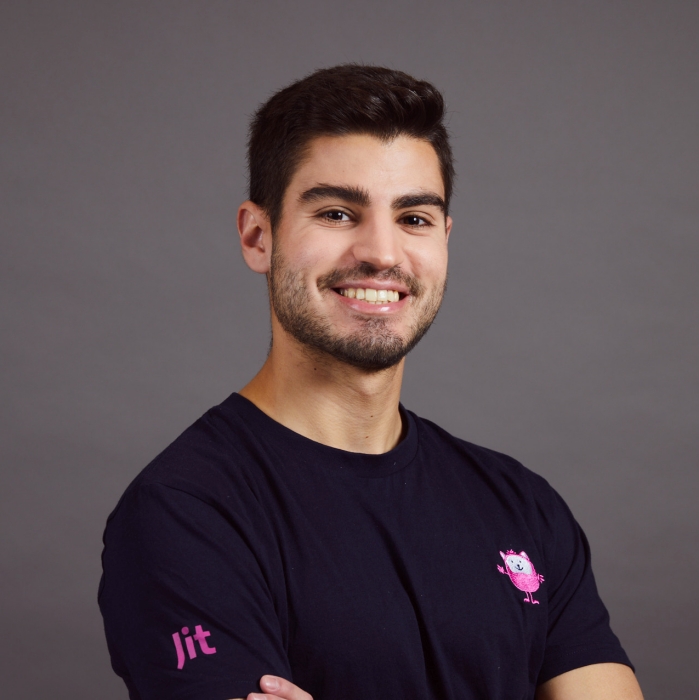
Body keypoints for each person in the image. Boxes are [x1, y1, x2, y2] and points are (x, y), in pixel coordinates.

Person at [98, 65, 644, 700]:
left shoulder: (522, 505)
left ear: (445, 238)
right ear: (258, 236)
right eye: (336, 212)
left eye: (414, 218)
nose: (382, 253)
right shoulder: (186, 513)